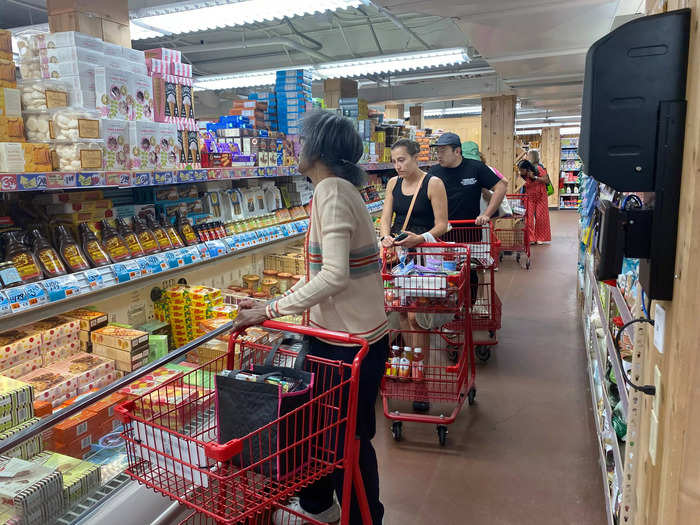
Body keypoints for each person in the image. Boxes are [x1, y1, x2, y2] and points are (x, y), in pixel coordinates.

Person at [233, 110, 388, 525]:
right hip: (351, 337)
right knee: (331, 431)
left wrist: (269, 310)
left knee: (346, 439)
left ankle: (363, 517)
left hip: (349, 344)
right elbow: (330, 274)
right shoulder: (339, 189)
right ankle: (322, 504)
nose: (297, 148)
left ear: (318, 148)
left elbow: (334, 275)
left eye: (302, 140)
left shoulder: (332, 190)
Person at [379, 139, 449, 412]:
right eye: (394, 161)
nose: (398, 166)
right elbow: (386, 216)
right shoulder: (392, 184)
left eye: (402, 160)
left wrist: (419, 238)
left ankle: (421, 380)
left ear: (415, 158)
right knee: (399, 313)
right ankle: (412, 362)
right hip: (398, 259)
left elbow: (442, 225)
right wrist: (386, 236)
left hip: (425, 260)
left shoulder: (433, 184)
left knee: (416, 316)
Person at [429, 133, 507, 225]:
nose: (439, 155)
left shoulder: (476, 168)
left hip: (470, 231)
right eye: (437, 151)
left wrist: (487, 214)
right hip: (441, 231)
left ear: (457, 151)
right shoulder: (434, 172)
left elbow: (501, 187)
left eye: (443, 151)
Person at [522, 150, 552, 244]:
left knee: (541, 217)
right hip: (530, 195)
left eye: (528, 156)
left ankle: (540, 238)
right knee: (529, 217)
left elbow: (546, 181)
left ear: (532, 157)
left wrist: (534, 177)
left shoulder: (540, 167)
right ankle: (531, 238)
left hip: (541, 195)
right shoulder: (525, 167)